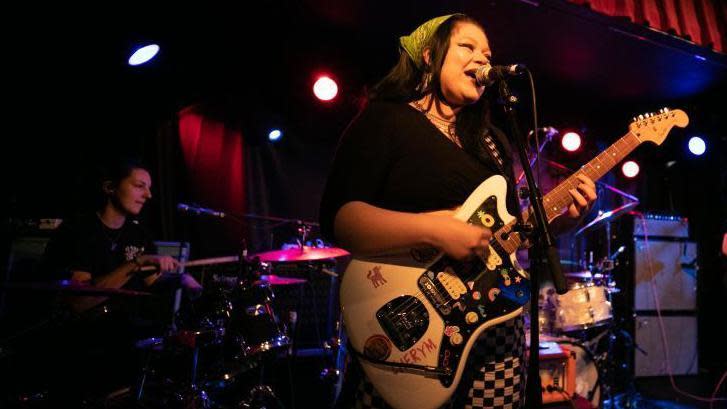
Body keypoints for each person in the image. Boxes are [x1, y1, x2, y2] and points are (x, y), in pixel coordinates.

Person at [320, 14, 597, 409]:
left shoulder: (494, 141)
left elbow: (513, 237)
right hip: (413, 321)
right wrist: (434, 229)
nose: (483, 59)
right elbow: (339, 219)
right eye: (467, 46)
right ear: (430, 56)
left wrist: (567, 219)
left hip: (496, 328)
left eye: (488, 52)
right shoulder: (387, 119)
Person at [36, 157, 202, 405]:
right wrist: (136, 262)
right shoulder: (79, 231)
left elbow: (151, 282)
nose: (147, 195)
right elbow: (81, 302)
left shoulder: (139, 233)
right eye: (139, 185)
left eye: (149, 188)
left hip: (124, 339)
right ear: (110, 187)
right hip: (82, 344)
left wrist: (182, 279)